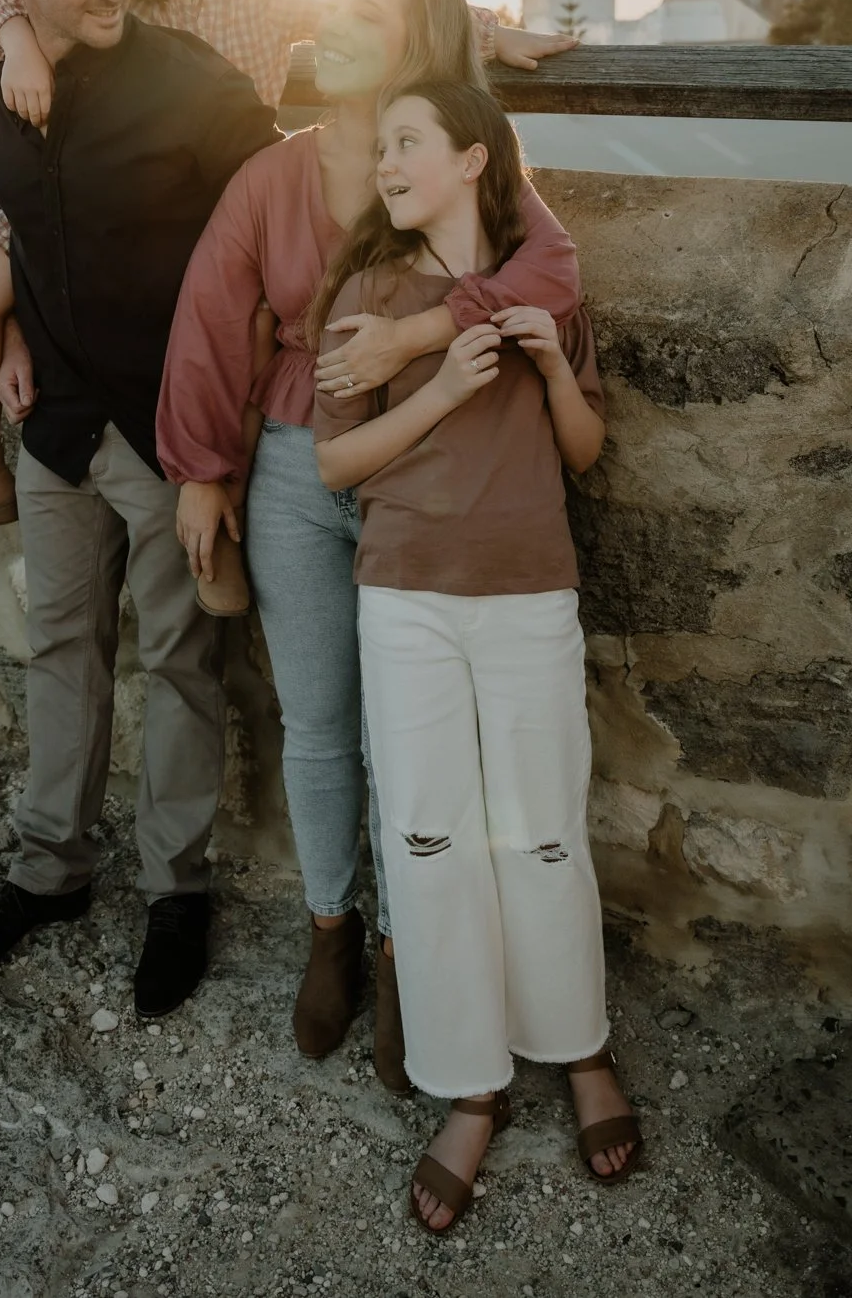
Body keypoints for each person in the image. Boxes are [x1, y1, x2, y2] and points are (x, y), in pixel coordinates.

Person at [0, 0, 575, 619]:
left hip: (228, 189)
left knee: (255, 329)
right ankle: (14, 465)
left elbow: (387, 8)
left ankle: (228, 501)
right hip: (121, 207)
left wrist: (485, 30)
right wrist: (20, 40)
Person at [155, 0, 583, 1093]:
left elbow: (555, 274)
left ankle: (413, 956)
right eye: (333, 5)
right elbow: (209, 314)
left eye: (362, 13)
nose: (330, 23)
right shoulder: (273, 174)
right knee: (320, 721)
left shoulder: (459, 170)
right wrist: (203, 470)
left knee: (418, 738)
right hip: (297, 463)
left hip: (429, 474)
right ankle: (333, 930)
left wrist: (419, 332)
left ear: (413, 50)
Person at [0, 0, 279, 1022]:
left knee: (183, 663)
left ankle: (178, 893)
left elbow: (272, 257)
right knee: (60, 645)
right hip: (55, 424)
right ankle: (48, 873)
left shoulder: (201, 90)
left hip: (176, 433)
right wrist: (12, 322)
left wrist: (220, 445)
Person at [311, 79, 642, 1235]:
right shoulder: (367, 294)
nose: (385, 164)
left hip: (529, 596)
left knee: (547, 833)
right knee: (431, 840)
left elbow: (587, 452)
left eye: (407, 144)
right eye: (380, 147)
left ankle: (580, 1050)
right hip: (404, 603)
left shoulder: (543, 285)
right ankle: (471, 1088)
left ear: (470, 159)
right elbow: (337, 468)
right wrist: (443, 387)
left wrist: (551, 370)